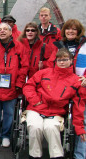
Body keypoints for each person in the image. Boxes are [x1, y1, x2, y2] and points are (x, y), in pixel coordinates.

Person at [23, 48, 86, 159]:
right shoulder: (43, 73)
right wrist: (35, 100)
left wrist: (80, 128)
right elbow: (29, 86)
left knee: (51, 128)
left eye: (65, 59)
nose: (62, 62)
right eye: (59, 60)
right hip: (36, 108)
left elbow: (78, 105)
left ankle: (57, 156)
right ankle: (34, 155)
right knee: (34, 126)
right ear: (55, 61)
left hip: (56, 112)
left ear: (71, 61)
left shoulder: (76, 81)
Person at [47, 19, 86, 159]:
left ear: (79, 31)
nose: (70, 31)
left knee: (81, 120)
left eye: (74, 29)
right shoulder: (60, 46)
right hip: (62, 86)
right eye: (68, 29)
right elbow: (51, 64)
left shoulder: (84, 46)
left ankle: (79, 155)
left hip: (81, 87)